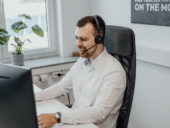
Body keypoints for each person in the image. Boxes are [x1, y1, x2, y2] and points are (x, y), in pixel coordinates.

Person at [35, 15, 126, 128]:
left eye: (83, 39)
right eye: (76, 38)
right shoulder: (81, 62)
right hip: (75, 123)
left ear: (99, 39)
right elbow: (61, 87)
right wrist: (32, 97)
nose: (78, 44)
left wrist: (56, 117)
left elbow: (99, 112)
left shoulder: (114, 72)